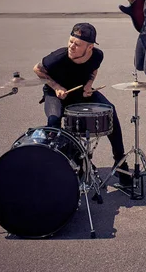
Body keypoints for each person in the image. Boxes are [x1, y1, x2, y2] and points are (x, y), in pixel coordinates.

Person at [33, 22, 131, 186]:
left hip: (80, 92)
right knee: (53, 122)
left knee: (110, 111)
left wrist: (87, 85)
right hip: (55, 94)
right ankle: (60, 168)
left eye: (77, 44)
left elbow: (93, 69)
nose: (71, 46)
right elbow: (37, 69)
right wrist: (56, 87)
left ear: (90, 47)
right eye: (70, 41)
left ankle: (120, 162)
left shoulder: (97, 55)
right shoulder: (57, 58)